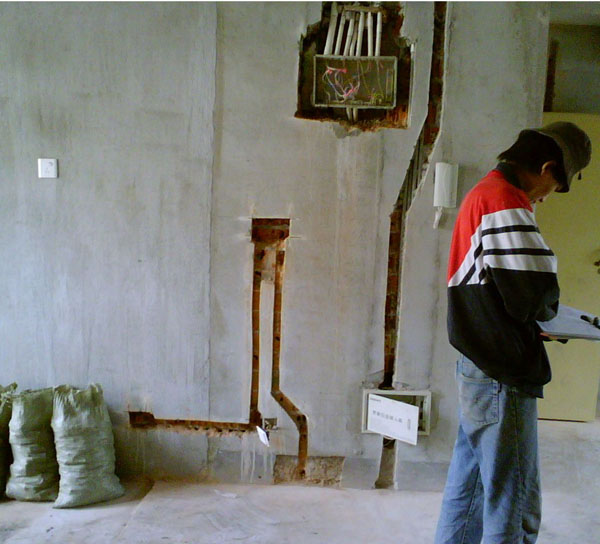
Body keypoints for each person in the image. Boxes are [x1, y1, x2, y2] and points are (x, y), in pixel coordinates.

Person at [434, 122, 592, 544]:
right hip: (501, 373)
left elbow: (508, 289)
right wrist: (548, 314)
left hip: (479, 366)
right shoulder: (505, 200)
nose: (547, 196)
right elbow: (536, 294)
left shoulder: (485, 192)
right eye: (556, 185)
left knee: (470, 493)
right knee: (514, 503)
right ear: (546, 167)